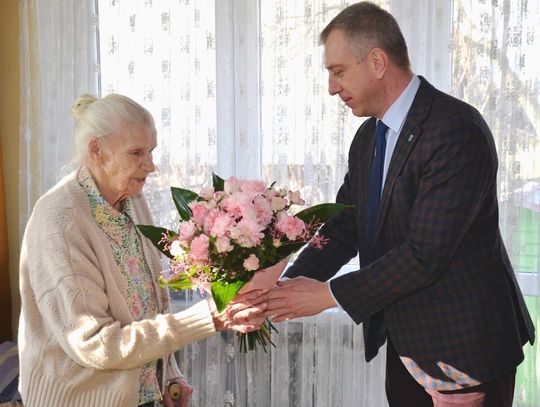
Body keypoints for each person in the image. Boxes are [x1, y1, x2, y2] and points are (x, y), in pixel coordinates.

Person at [264, 2, 535, 406]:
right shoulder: (368, 138)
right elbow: (344, 229)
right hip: (407, 349)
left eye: (338, 71)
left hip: (465, 354)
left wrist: (326, 295)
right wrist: (280, 291)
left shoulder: (455, 130)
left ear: (376, 61)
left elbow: (425, 255)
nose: (332, 88)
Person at [17, 93, 265, 407]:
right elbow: (95, 344)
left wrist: (167, 378)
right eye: (136, 153)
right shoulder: (60, 219)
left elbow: (148, 304)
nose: (150, 166)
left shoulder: (132, 200)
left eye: (150, 151)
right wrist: (208, 318)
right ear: (97, 150)